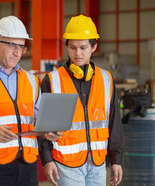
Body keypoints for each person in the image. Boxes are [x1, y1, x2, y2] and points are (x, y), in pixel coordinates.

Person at [0, 16, 61, 186]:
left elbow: (37, 122)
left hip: (27, 167)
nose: (17, 52)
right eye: (12, 45)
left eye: (21, 47)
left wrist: (47, 131)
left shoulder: (31, 81)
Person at [39, 15, 123, 186]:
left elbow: (114, 121)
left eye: (83, 47)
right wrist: (47, 160)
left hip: (98, 164)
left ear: (94, 47)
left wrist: (116, 159)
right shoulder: (53, 80)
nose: (77, 53)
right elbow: (44, 126)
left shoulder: (106, 79)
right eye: (72, 47)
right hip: (66, 164)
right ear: (67, 47)